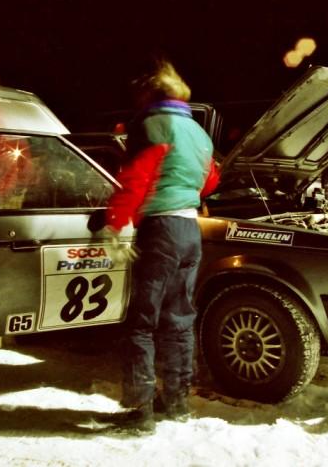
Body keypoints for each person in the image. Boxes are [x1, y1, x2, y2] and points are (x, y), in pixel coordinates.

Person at [103, 59, 219, 431]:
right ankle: (177, 403)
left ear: (149, 92)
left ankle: (139, 413)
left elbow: (136, 176)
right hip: (190, 230)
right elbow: (209, 181)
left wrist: (117, 222)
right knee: (179, 320)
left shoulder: (152, 123)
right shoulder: (198, 132)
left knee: (141, 322)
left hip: (161, 229)